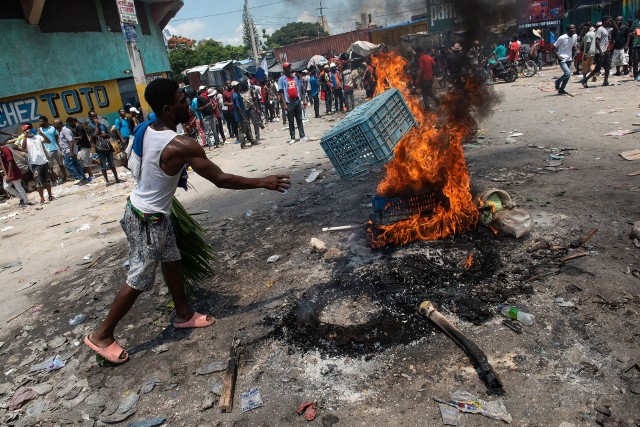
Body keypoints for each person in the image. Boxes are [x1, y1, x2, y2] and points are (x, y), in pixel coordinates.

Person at [84, 78, 290, 364]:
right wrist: (261, 182)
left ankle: (183, 314)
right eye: (182, 101)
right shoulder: (182, 145)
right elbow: (219, 179)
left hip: (148, 211)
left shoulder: (146, 128)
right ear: (168, 108)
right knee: (140, 276)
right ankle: (102, 335)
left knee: (172, 259)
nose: (188, 104)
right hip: (147, 219)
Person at [21, 124, 54, 204]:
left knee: (47, 180)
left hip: (44, 161)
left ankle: (50, 195)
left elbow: (48, 141)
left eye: (30, 129)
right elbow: (23, 148)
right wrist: (25, 137)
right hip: (35, 163)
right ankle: (42, 198)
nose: (29, 130)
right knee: (39, 183)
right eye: (27, 130)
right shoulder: (24, 140)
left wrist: (41, 133)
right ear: (24, 131)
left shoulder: (38, 137)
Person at [89, 111, 122, 185]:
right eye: (93, 116)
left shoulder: (102, 124)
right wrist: (96, 125)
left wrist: (105, 134)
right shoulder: (90, 127)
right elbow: (94, 136)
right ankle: (107, 181)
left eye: (96, 116)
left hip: (108, 147)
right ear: (90, 118)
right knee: (103, 166)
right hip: (100, 149)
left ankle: (116, 178)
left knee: (112, 164)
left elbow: (109, 135)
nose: (95, 117)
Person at [278, 62, 307, 144]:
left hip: (297, 100)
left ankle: (302, 136)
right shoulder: (281, 79)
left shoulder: (295, 77)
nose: (290, 69)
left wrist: (303, 99)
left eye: (290, 67)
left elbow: (299, 89)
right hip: (289, 102)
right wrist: (284, 104)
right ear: (285, 69)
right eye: (288, 68)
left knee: (299, 119)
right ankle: (293, 137)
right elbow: (281, 93)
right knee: (291, 121)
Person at [581, 17, 613, 87]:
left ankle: (605, 81)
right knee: (597, 68)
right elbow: (597, 41)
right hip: (600, 52)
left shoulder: (606, 29)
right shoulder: (600, 29)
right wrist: (601, 52)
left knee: (607, 67)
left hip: (605, 51)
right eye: (608, 20)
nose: (610, 22)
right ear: (604, 21)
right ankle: (585, 80)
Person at [54, 119, 87, 184]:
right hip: (67, 151)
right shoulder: (60, 131)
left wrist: (71, 153)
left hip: (69, 151)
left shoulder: (65, 131)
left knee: (67, 164)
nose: (54, 126)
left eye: (54, 124)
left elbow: (71, 141)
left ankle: (78, 177)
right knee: (76, 164)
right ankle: (84, 178)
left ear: (59, 125)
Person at [38, 115, 67, 183]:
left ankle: (66, 177)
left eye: (41, 121)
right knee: (50, 167)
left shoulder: (52, 128)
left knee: (61, 164)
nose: (40, 123)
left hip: (56, 149)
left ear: (45, 121)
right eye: (39, 121)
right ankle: (54, 180)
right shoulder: (39, 131)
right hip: (48, 151)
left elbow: (57, 138)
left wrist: (59, 147)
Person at [0, 140, 29, 207]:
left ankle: (26, 202)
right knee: (6, 187)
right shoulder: (1, 151)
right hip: (7, 173)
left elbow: (10, 162)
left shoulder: (5, 150)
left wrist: (9, 175)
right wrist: (6, 174)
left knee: (18, 187)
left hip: (13, 172)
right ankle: (21, 198)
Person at [553, 24, 578, 94]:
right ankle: (557, 82)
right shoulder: (562, 37)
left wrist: (575, 52)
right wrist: (558, 57)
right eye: (572, 28)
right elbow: (554, 47)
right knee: (567, 73)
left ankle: (561, 89)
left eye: (574, 28)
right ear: (567, 30)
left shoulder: (575, 36)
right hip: (562, 58)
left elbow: (574, 46)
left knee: (568, 76)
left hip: (569, 58)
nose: (574, 29)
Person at [67, 117, 94, 181]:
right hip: (83, 146)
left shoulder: (79, 127)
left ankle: (90, 175)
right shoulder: (77, 127)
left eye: (70, 123)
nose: (70, 125)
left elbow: (80, 137)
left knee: (84, 161)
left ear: (73, 121)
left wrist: (72, 138)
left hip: (84, 146)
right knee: (87, 160)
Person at [232, 81, 255, 149]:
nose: (238, 86)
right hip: (240, 115)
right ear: (234, 87)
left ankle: (252, 140)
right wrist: (243, 117)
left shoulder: (237, 94)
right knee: (242, 130)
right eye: (237, 85)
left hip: (243, 113)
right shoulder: (235, 96)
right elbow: (238, 107)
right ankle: (242, 145)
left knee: (247, 128)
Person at [632, 9, 640, 81]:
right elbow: (632, 31)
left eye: (637, 13)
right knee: (635, 60)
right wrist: (633, 33)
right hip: (636, 43)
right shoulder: (635, 22)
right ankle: (636, 75)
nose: (636, 14)